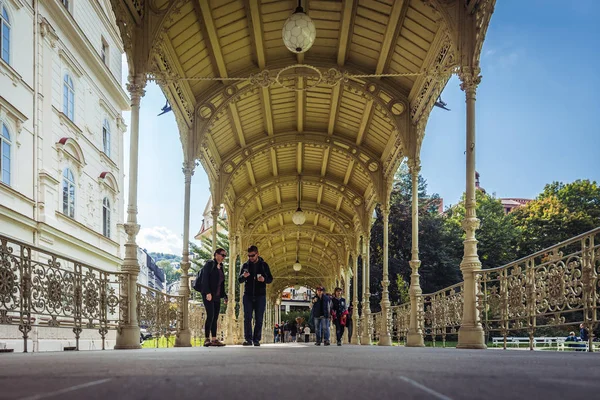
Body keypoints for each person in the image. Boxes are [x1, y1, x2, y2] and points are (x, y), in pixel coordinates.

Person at [238, 245, 273, 346]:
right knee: (247, 317)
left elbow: (270, 279)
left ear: (257, 254)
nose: (250, 258)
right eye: (249, 256)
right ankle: (248, 339)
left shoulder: (264, 265)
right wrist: (243, 277)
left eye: (252, 255)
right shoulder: (245, 265)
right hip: (248, 295)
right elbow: (239, 280)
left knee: (259, 318)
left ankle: (256, 339)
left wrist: (264, 279)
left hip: (260, 295)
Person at [201, 248, 228, 347]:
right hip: (208, 294)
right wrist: (207, 292)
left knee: (215, 317)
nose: (223, 257)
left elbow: (221, 283)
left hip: (216, 296)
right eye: (222, 255)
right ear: (216, 254)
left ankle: (214, 339)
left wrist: (224, 295)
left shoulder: (221, 266)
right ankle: (207, 338)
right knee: (210, 315)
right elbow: (205, 279)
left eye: (225, 255)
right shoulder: (209, 264)